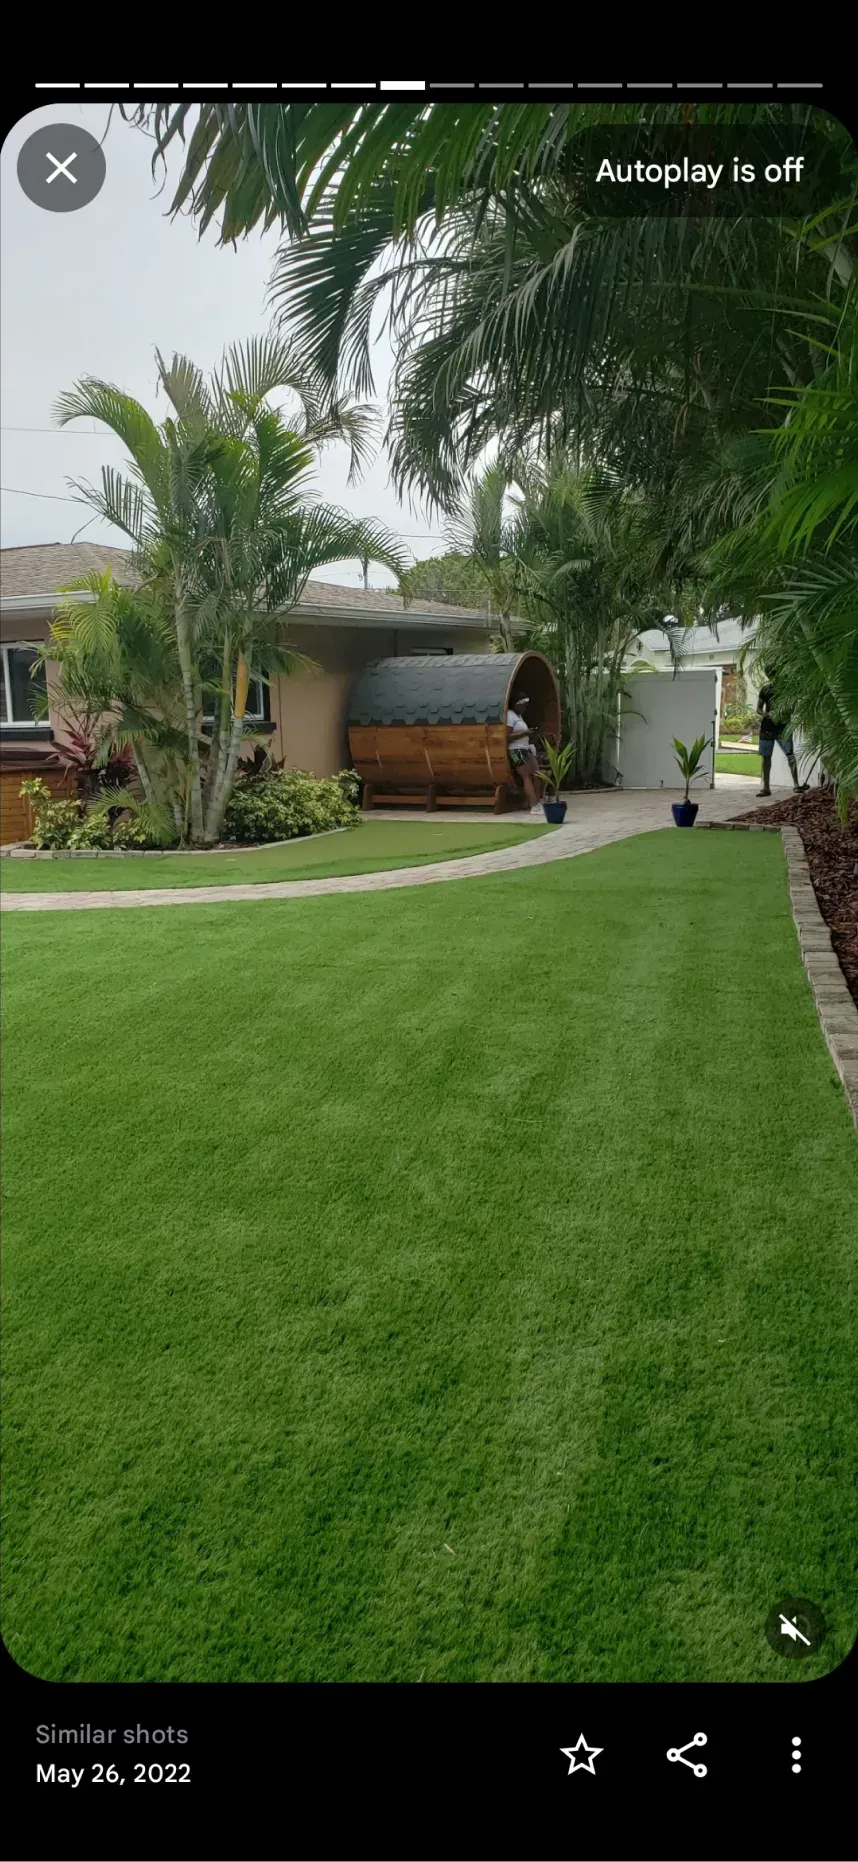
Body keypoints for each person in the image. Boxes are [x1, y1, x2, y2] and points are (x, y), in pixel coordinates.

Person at [756, 668, 806, 796]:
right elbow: (759, 709)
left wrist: (782, 714)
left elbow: (793, 708)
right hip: (767, 727)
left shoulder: (787, 690)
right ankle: (766, 787)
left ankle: (796, 784)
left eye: (774, 674)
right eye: (770, 675)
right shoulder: (765, 689)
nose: (772, 677)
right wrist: (767, 714)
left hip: (783, 727)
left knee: (790, 755)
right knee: (766, 757)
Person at [506, 695, 542, 810]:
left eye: (526, 706)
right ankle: (534, 805)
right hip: (516, 750)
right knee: (526, 776)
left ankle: (537, 800)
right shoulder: (509, 715)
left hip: (525, 748)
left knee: (537, 774)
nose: (524, 708)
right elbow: (506, 736)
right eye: (523, 705)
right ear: (516, 704)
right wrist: (524, 733)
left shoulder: (519, 716)